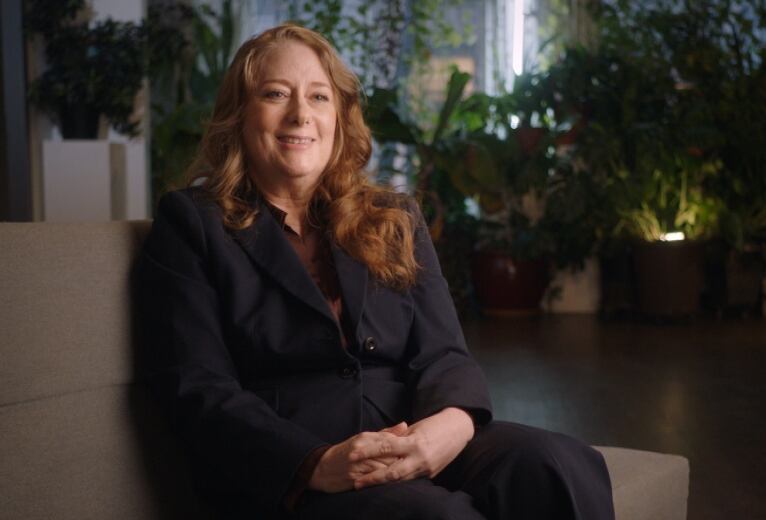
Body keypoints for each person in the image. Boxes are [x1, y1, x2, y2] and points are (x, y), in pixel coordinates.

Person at [139, 23, 615, 520]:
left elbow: (445, 352)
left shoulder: (393, 216)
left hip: (411, 436)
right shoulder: (193, 224)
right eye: (276, 94)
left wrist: (448, 426)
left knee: (560, 464)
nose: (301, 114)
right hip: (299, 476)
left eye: (319, 97)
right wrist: (316, 464)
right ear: (239, 116)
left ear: (339, 119)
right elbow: (197, 388)